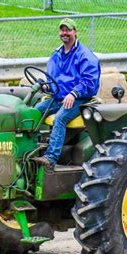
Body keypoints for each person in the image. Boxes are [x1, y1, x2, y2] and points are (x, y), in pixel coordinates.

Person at [32, 18, 101, 168]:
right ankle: (30, 150)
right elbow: (52, 78)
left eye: (68, 30)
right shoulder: (56, 55)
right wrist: (46, 87)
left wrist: (74, 93)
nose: (65, 33)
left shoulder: (85, 55)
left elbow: (89, 81)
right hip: (58, 97)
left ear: (75, 32)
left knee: (60, 118)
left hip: (79, 99)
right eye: (62, 30)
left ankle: (51, 158)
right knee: (33, 112)